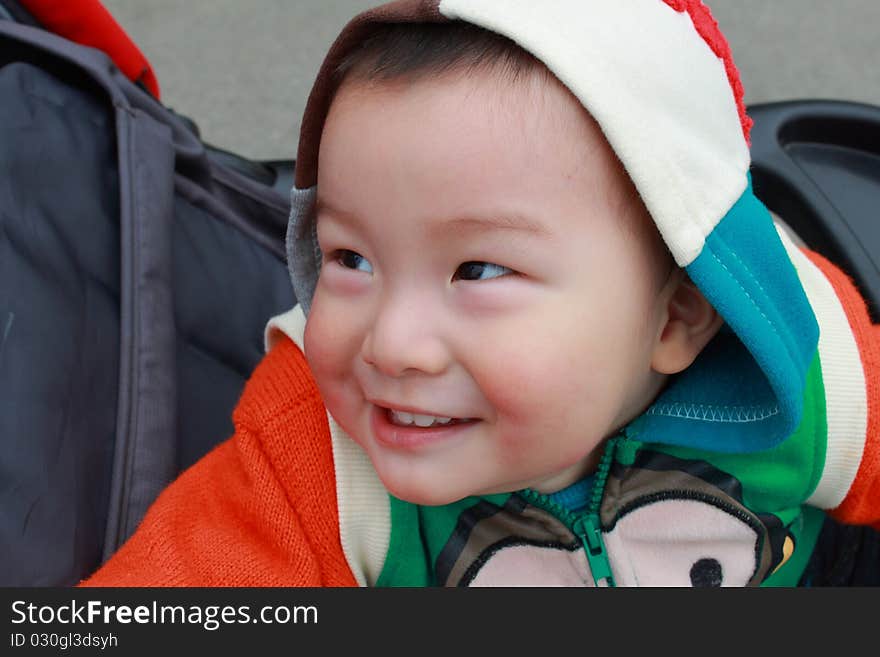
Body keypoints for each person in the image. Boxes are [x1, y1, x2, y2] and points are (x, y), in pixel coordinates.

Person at [81, 0, 880, 587]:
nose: (390, 344)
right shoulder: (315, 455)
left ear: (678, 312)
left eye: (478, 271)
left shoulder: (809, 367)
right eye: (350, 257)